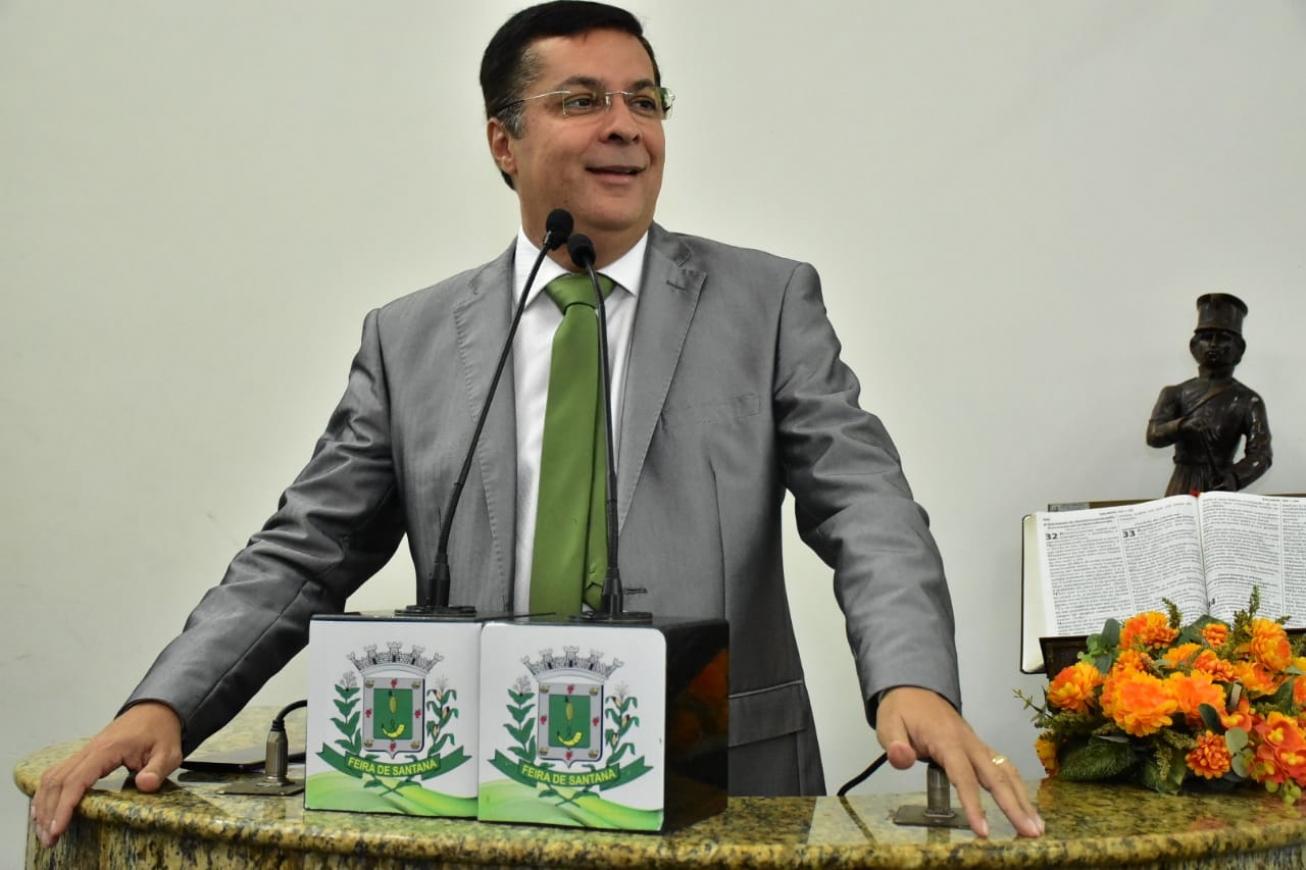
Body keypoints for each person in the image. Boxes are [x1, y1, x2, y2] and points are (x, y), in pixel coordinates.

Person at [32, 0, 1044, 846]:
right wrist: (165, 704)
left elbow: (867, 507)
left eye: (645, 100)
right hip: (475, 803)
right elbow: (305, 551)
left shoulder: (766, 304)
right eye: (582, 100)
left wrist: (910, 679)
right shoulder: (411, 339)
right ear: (503, 143)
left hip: (722, 795)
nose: (626, 126)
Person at [1146, 293, 1271, 496]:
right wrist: (1182, 426)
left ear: (1239, 349)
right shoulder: (1175, 393)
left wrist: (1234, 478)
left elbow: (1262, 454)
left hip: (1220, 485)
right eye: (1206, 337)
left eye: (1223, 338)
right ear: (1193, 346)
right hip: (1182, 485)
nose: (1213, 344)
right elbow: (1153, 436)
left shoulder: (1249, 400)